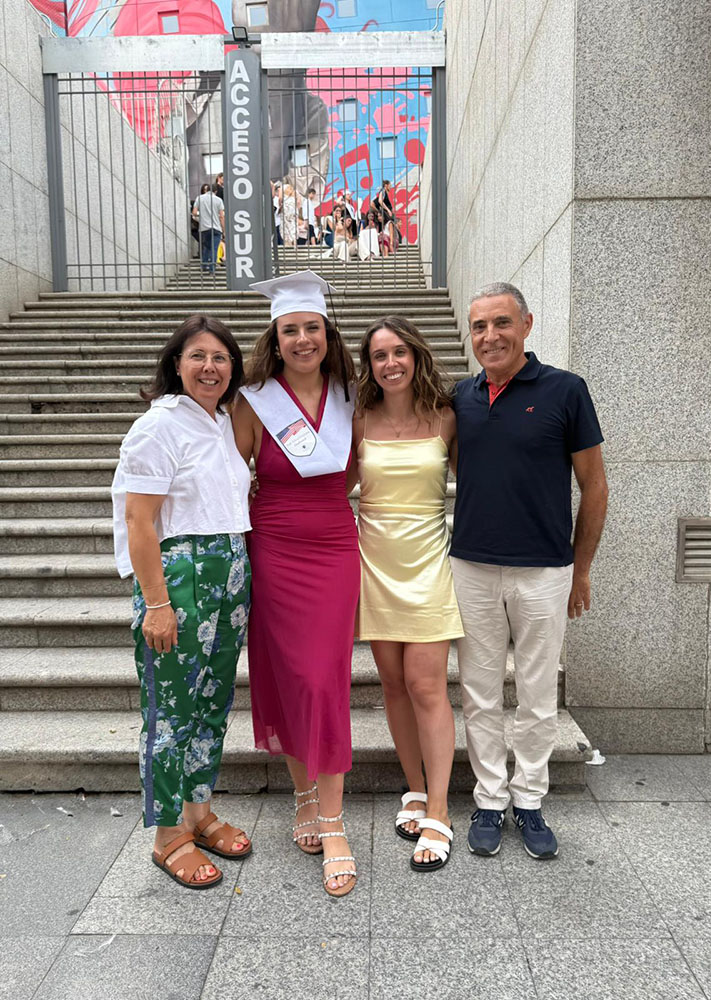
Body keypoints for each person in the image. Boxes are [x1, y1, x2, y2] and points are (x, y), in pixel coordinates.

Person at [450, 282, 608, 860]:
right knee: (479, 693)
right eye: (479, 326)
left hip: (544, 570)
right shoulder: (461, 396)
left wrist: (581, 569)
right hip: (471, 566)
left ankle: (530, 799)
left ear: (526, 324)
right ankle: (490, 800)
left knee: (538, 695)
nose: (490, 336)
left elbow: (595, 486)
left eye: (501, 323)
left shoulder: (566, 390)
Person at [111, 315, 252, 889]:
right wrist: (156, 603)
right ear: (176, 364)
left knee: (212, 703)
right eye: (198, 356)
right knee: (170, 711)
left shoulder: (222, 422)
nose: (210, 367)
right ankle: (167, 834)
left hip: (229, 572)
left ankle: (198, 811)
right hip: (180, 577)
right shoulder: (159, 426)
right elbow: (138, 519)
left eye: (220, 358)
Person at [232, 271, 360, 898]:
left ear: (327, 333)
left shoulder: (351, 397)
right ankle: (304, 796)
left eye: (312, 327)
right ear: (275, 338)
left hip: (334, 547)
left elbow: (353, 473)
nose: (303, 339)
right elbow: (231, 475)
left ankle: (333, 822)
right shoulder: (254, 401)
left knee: (322, 678)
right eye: (291, 330)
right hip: (275, 549)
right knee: (290, 675)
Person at [352, 316, 462, 872]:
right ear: (368, 366)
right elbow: (331, 485)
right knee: (393, 684)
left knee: (426, 685)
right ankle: (414, 789)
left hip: (429, 565)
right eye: (379, 355)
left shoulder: (446, 416)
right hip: (374, 566)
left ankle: (439, 809)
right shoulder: (358, 419)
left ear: (416, 356)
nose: (390, 363)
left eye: (399, 352)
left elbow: (480, 484)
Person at [192, 183, 224, 274]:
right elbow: (222, 216)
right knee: (214, 248)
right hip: (216, 228)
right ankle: (212, 269)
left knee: (206, 247)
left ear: (207, 189)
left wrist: (201, 216)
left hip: (204, 228)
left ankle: (204, 265)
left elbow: (194, 213)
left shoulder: (199, 198)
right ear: (215, 191)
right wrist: (223, 230)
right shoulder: (219, 200)